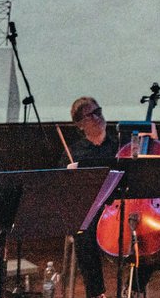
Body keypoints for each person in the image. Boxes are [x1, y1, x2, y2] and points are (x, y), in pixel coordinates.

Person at [60, 97, 119, 298]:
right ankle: (96, 293)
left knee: (145, 233)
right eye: (90, 114)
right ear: (80, 124)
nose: (97, 117)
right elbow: (63, 185)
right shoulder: (74, 152)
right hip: (91, 209)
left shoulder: (119, 144)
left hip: (117, 206)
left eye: (98, 111)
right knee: (84, 231)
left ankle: (135, 286)